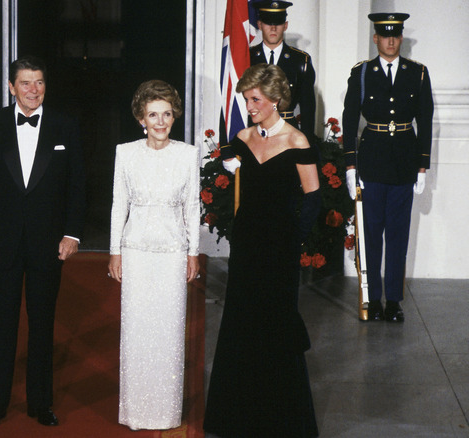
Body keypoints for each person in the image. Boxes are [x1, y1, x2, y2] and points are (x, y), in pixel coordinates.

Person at [0, 55, 86, 429]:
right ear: (11, 87)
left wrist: (72, 233)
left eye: (39, 82)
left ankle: (41, 402)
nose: (34, 90)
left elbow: (77, 185)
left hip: (48, 243)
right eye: (26, 83)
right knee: (0, 324)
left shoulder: (65, 125)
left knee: (43, 324)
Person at [203, 64, 320, 437]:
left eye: (254, 99)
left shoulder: (297, 142)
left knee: (276, 323)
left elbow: (313, 197)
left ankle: (281, 421)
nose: (249, 106)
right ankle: (237, 417)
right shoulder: (243, 136)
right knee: (242, 320)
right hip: (248, 242)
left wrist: (295, 239)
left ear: (275, 100)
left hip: (280, 247)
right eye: (246, 99)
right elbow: (225, 169)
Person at [108, 80, 200, 430]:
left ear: (174, 116)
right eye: (152, 115)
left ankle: (165, 411)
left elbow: (192, 207)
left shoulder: (188, 154)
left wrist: (193, 253)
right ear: (140, 119)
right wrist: (114, 252)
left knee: (169, 334)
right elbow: (119, 205)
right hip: (136, 252)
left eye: (166, 114)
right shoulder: (125, 153)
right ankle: (135, 411)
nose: (160, 122)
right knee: (136, 332)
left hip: (173, 252)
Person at [342, 13, 433, 323]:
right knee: (371, 233)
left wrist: (423, 166)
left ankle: (393, 300)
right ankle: (373, 298)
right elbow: (350, 119)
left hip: (404, 162)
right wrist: (351, 164)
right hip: (372, 161)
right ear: (375, 38)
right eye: (385, 35)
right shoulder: (362, 73)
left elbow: (426, 120)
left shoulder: (417, 73)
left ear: (400, 38)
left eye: (395, 35)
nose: (391, 40)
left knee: (397, 234)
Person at [250, 0, 317, 145]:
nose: (273, 28)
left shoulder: (300, 60)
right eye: (268, 22)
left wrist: (306, 145)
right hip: (254, 133)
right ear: (260, 25)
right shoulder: (247, 58)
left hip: (288, 134)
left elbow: (308, 109)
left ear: (285, 26)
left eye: (278, 23)